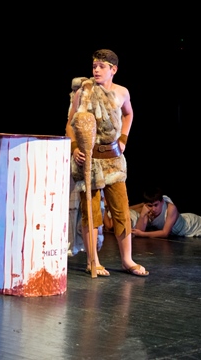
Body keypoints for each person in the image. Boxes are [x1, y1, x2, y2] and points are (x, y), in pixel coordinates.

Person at [65, 49, 148, 277]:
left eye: (102, 66)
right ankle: (93, 261)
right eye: (94, 66)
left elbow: (129, 114)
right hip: (90, 160)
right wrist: (75, 148)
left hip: (113, 160)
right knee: (91, 212)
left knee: (121, 211)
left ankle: (127, 260)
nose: (96, 70)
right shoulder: (84, 91)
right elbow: (70, 123)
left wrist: (123, 138)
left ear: (114, 69)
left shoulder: (122, 92)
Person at [117, 186, 201, 238]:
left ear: (162, 202)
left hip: (191, 226)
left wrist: (143, 234)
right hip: (184, 221)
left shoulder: (171, 209)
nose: (153, 209)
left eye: (156, 205)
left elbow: (164, 233)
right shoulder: (147, 209)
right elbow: (140, 230)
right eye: (150, 205)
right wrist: (143, 215)